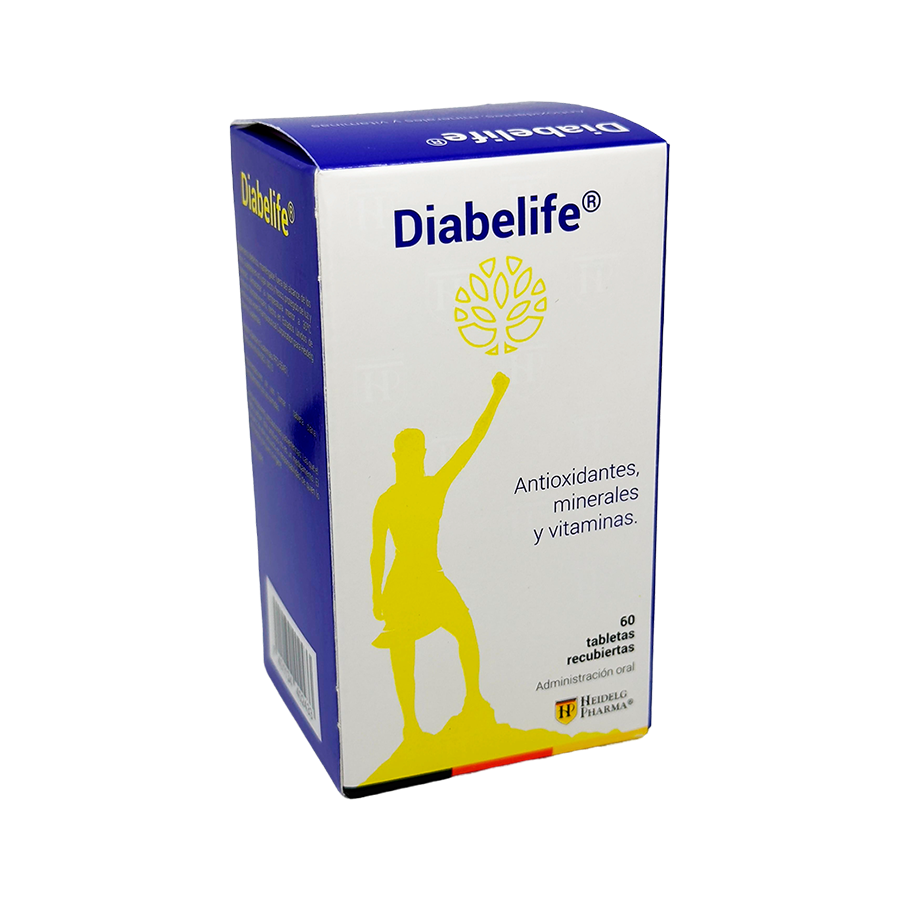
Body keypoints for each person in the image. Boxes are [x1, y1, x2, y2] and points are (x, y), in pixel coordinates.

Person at [370, 371, 510, 740]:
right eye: (409, 454)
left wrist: (496, 396)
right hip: (405, 582)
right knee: (405, 652)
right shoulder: (395, 499)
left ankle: (472, 699)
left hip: (427, 578)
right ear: (399, 457)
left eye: (416, 454)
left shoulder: (427, 489)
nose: (413, 459)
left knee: (463, 631)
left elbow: (473, 441)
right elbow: (376, 553)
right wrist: (376, 596)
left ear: (419, 455)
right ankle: (411, 727)